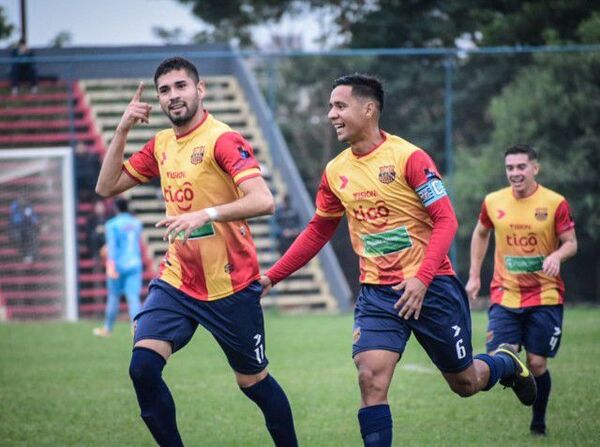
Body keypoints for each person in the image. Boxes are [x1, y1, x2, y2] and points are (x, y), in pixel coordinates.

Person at [260, 74, 536, 447]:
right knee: (370, 379)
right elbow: (318, 230)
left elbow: (446, 219)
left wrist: (421, 279)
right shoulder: (335, 171)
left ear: (368, 108)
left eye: (339, 106)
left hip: (431, 287)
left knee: (466, 383)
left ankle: (504, 362)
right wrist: (272, 277)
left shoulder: (409, 157)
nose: (331, 115)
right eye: (329, 107)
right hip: (378, 294)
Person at [95, 57, 297, 447]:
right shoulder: (161, 144)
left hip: (231, 285)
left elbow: (264, 200)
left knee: (253, 382)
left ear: (199, 89)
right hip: (177, 283)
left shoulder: (223, 139)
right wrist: (122, 129)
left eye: (181, 86)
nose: (174, 96)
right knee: (143, 368)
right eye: (165, 90)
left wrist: (207, 213)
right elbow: (107, 187)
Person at [465, 144, 577, 437]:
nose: (515, 173)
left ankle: (538, 422)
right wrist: (474, 276)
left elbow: (571, 242)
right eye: (510, 168)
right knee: (501, 355)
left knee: (537, 363)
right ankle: (517, 378)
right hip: (505, 292)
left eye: (521, 167)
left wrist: (556, 256)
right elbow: (480, 233)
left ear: (535, 168)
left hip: (546, 295)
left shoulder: (554, 203)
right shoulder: (493, 201)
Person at [93, 197, 143, 338]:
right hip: (134, 263)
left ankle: (107, 329)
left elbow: (113, 248)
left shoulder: (112, 224)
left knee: (114, 297)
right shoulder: (136, 223)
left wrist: (110, 266)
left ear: (115, 208)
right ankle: (136, 330)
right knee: (133, 298)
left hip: (118, 265)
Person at [9, 196, 40, 263]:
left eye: (24, 199)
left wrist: (34, 220)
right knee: (19, 237)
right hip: (16, 228)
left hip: (26, 227)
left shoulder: (28, 206)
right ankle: (24, 255)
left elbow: (33, 217)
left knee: (31, 235)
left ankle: (30, 255)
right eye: (21, 199)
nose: (22, 201)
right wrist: (24, 215)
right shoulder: (15, 207)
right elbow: (15, 220)